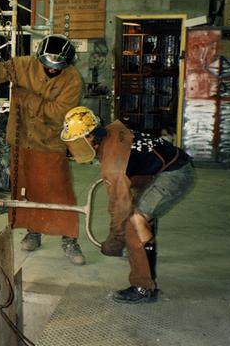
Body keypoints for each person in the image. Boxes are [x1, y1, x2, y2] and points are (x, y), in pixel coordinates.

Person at [0, 34, 85, 265]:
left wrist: (27, 98)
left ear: (67, 64)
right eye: (47, 65)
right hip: (21, 140)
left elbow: (59, 113)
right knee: (26, 190)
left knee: (60, 193)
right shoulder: (23, 65)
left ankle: (69, 239)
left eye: (57, 67)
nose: (51, 70)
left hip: (50, 143)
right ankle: (34, 232)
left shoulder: (73, 80)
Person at [60, 106, 195, 303]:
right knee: (137, 212)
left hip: (174, 173)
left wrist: (115, 241)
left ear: (90, 137)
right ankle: (144, 245)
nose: (74, 147)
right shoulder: (112, 131)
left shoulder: (113, 162)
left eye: (76, 141)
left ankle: (143, 288)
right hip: (162, 165)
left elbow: (119, 207)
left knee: (134, 221)